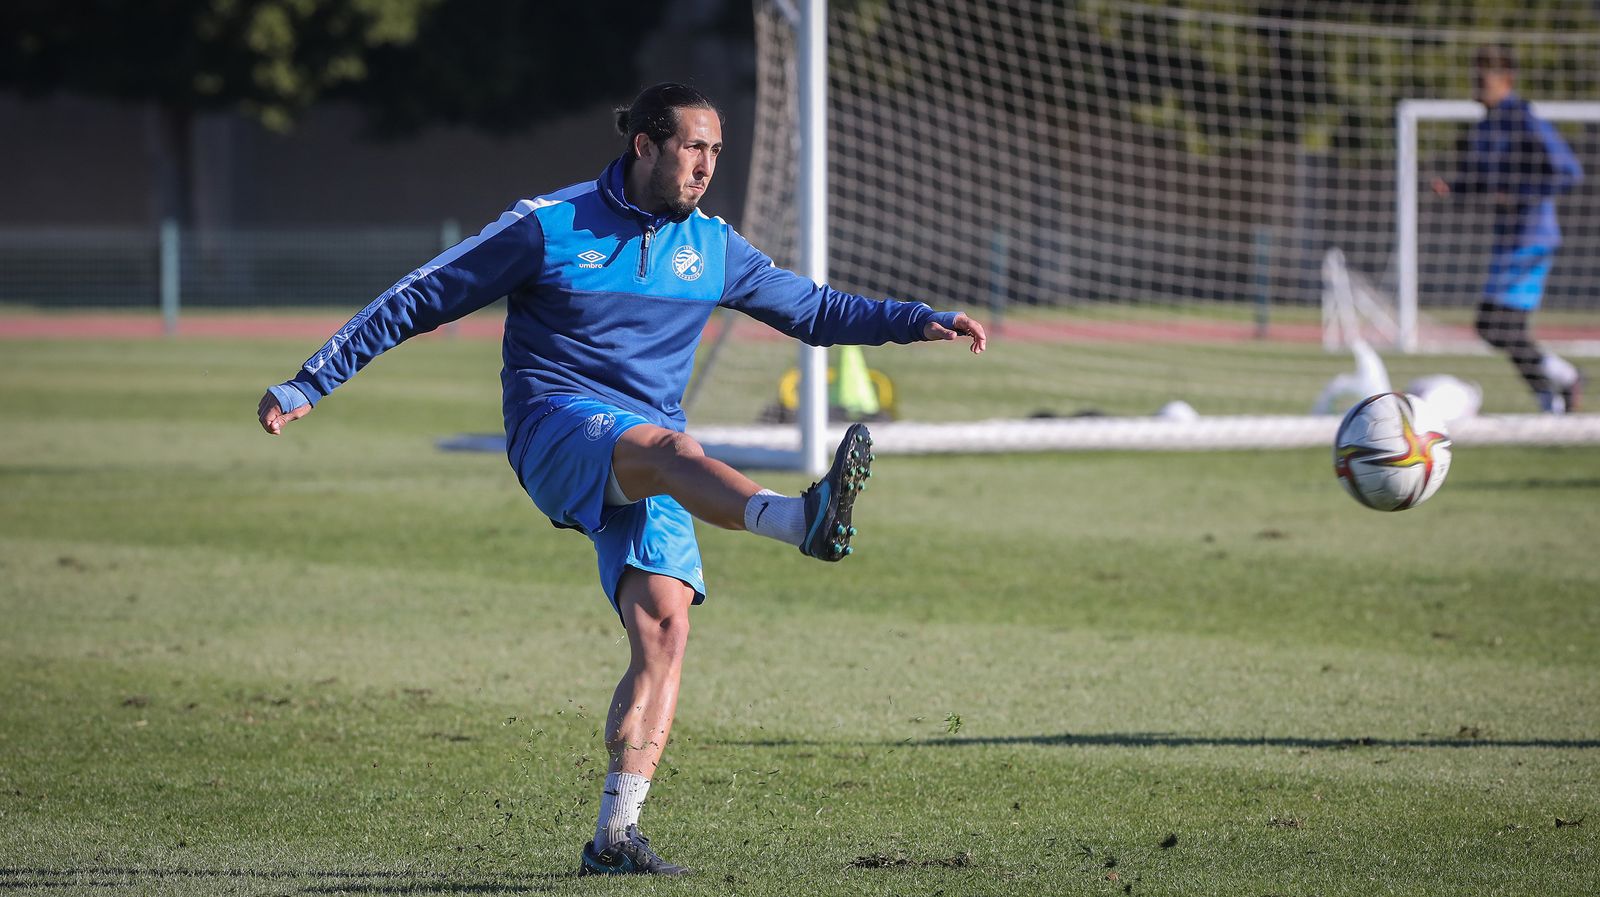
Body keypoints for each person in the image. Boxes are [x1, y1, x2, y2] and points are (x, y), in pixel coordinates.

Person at [256, 83, 986, 876]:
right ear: (645, 145)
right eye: (692, 148)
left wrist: (915, 318)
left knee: (666, 630)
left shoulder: (713, 248)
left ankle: (615, 836)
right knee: (674, 451)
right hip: (554, 427)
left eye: (715, 151)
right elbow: (422, 295)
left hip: (649, 450)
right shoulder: (549, 225)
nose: (707, 167)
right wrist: (307, 383)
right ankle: (796, 519)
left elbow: (814, 310)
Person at [1432, 45, 1584, 413]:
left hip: (1533, 236)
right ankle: (1554, 392)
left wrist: (1520, 197)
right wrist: (1456, 187)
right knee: (1498, 326)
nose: (1476, 87)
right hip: (1509, 238)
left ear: (1506, 81)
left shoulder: (1524, 120)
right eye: (1474, 78)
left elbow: (1569, 172)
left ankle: (1561, 381)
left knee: (1495, 324)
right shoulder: (1485, 128)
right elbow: (1487, 181)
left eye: (1483, 80)